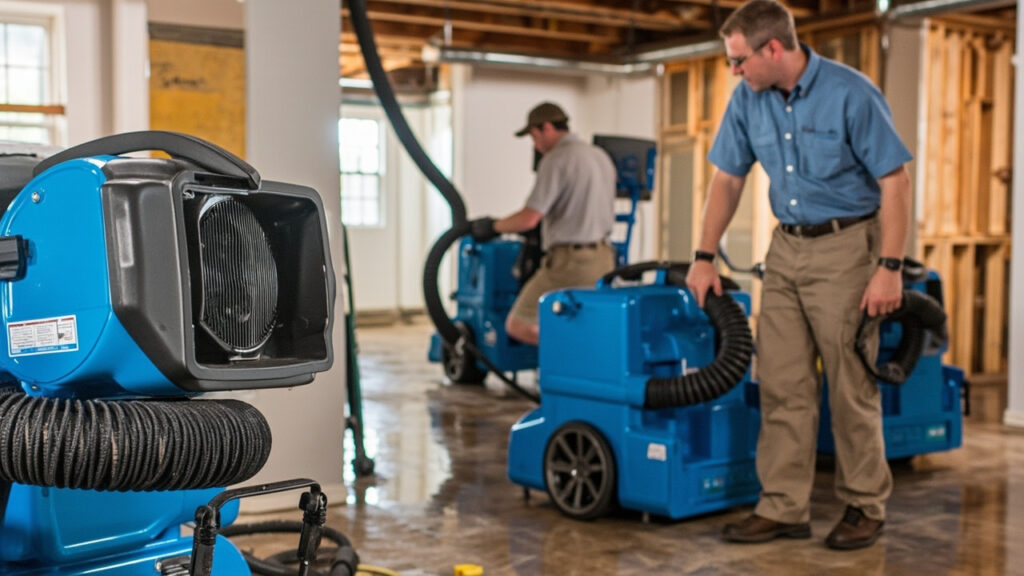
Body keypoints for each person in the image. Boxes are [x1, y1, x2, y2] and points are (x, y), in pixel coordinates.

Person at [684, 0, 912, 551]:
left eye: (739, 60)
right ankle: (784, 506)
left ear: (774, 49)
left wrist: (889, 267)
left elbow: (895, 182)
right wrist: (704, 254)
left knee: (850, 384)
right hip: (785, 248)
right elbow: (728, 180)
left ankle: (864, 504)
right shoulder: (748, 99)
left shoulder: (850, 93)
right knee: (783, 383)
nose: (733, 71)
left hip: (848, 249)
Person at [468, 102, 617, 346]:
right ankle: (583, 364)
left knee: (518, 324)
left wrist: (493, 227)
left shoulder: (556, 159)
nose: (535, 145)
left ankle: (569, 353)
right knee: (588, 320)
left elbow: (530, 218)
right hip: (604, 258)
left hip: (569, 263)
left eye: (534, 137)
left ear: (547, 128)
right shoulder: (599, 156)